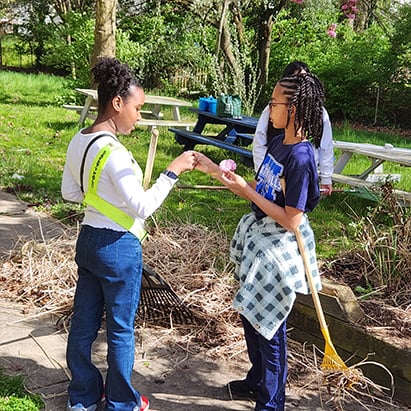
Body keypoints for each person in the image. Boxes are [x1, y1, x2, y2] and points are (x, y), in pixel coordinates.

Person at [61, 57, 197, 411]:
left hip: (88, 241)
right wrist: (172, 171)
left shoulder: (80, 140)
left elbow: (70, 194)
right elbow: (142, 207)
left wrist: (100, 197)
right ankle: (121, 402)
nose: (139, 116)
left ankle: (83, 397)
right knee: (120, 331)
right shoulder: (117, 154)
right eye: (138, 108)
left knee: (84, 324)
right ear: (117, 103)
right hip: (119, 249)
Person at [195, 71, 324, 411]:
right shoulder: (280, 142)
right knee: (251, 314)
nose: (270, 108)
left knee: (269, 327)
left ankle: (272, 401)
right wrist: (218, 172)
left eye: (275, 102)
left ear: (293, 108)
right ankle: (256, 380)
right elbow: (261, 187)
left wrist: (245, 190)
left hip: (279, 245)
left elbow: (292, 219)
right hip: (260, 235)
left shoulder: (301, 158)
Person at [253, 61, 334, 195]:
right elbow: (259, 142)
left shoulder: (300, 159)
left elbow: (325, 145)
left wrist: (326, 177)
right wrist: (261, 176)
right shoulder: (276, 140)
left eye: (304, 79)